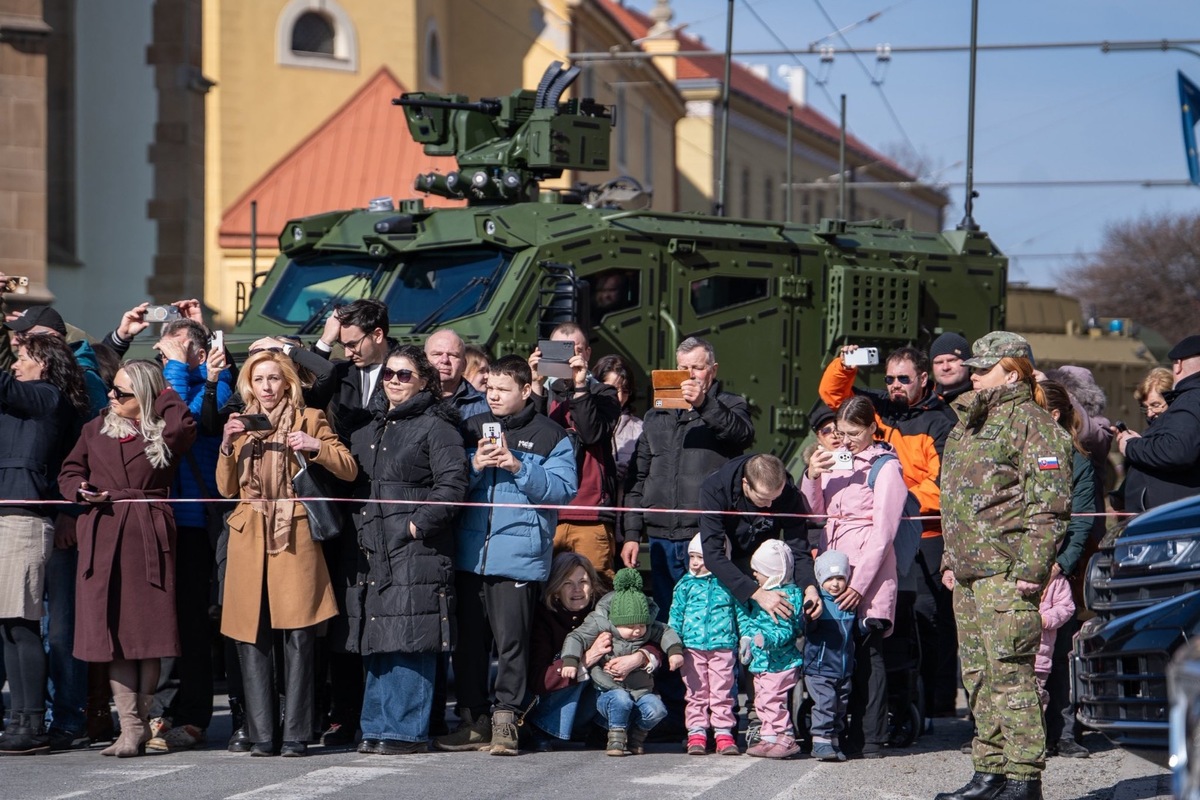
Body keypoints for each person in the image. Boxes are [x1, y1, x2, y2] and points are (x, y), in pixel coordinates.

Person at [937, 331, 1074, 800]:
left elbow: (1050, 507)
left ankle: (1023, 777)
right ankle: (990, 770)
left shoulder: (1035, 425)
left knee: (1011, 675)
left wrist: (1030, 573)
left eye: (982, 367)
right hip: (970, 577)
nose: (972, 374)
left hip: (1006, 575)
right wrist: (950, 559)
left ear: (1011, 371)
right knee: (977, 677)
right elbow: (956, 501)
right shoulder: (967, 423)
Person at [216, 351, 358, 757]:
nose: (266, 387)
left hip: (294, 533)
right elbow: (226, 490)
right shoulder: (241, 425)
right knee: (251, 637)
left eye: (274, 379)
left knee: (299, 638)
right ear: (249, 385)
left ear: (288, 383)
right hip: (248, 536)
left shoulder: (309, 418)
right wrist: (227, 445)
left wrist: (315, 446)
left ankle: (296, 734)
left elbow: (348, 468)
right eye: (259, 379)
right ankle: (262, 735)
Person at [434, 354, 576, 756]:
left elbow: (563, 489)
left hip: (518, 557)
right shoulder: (472, 426)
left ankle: (507, 720)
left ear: (525, 390)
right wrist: (473, 464)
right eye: (488, 388)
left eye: (502, 389)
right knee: (469, 645)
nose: (492, 396)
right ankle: (474, 720)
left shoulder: (552, 435)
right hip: (470, 554)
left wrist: (518, 466)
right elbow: (449, 479)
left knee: (512, 643)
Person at [58, 359, 197, 758]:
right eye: (112, 389)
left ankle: (141, 719)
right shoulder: (95, 429)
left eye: (123, 393)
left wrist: (164, 390)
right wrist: (79, 490)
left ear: (147, 397)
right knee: (113, 638)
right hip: (102, 534)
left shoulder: (164, 433)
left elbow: (184, 424)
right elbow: (69, 471)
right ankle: (130, 727)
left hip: (146, 535)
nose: (113, 398)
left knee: (146, 637)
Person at [820, 343, 959, 720]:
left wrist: (896, 497)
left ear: (923, 379)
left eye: (904, 379)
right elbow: (833, 395)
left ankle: (938, 704)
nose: (895, 385)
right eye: (889, 379)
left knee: (931, 620)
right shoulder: (880, 410)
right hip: (878, 528)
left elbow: (944, 483)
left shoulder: (939, 421)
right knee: (883, 624)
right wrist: (844, 363)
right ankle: (888, 705)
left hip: (924, 532)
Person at [346, 345, 467, 756]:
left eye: (404, 375)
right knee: (379, 635)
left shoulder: (437, 427)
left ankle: (407, 732)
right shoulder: (369, 428)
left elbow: (453, 486)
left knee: (410, 638)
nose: (394, 381)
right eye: (389, 374)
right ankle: (376, 726)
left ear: (424, 381)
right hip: (372, 546)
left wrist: (414, 525)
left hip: (417, 547)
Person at [145, 319, 234, 753]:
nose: (165, 360)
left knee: (192, 625)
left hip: (197, 526)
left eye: (174, 351)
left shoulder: (218, 385)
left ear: (198, 352)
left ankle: (194, 717)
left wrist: (178, 367)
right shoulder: (166, 384)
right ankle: (160, 710)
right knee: (161, 623)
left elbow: (181, 423)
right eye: (164, 355)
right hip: (160, 523)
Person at [802, 396, 907, 760]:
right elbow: (815, 515)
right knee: (837, 653)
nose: (845, 441)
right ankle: (835, 732)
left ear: (872, 428)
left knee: (868, 652)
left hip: (869, 572)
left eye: (853, 433)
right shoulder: (835, 461)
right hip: (832, 568)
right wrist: (812, 477)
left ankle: (871, 738)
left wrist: (860, 584)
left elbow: (884, 533)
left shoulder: (886, 468)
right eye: (839, 433)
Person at [0, 334, 90, 755]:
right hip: (7, 514)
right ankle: (18, 717)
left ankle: (32, 720)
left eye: (23, 358)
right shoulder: (26, 401)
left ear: (46, 365)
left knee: (23, 623)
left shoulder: (48, 397)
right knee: (9, 625)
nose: (16, 365)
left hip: (25, 519)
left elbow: (4, 386)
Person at [622, 336, 755, 619]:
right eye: (683, 368)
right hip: (660, 536)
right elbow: (638, 476)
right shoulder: (656, 414)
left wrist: (705, 404)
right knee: (667, 620)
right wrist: (632, 534)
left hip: (705, 536)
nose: (690, 375)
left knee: (709, 620)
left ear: (713, 369)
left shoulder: (731, 405)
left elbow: (741, 435)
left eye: (697, 367)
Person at [527, 552, 663, 751]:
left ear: (592, 584)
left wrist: (639, 657)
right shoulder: (544, 618)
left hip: (599, 698)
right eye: (567, 583)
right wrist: (587, 658)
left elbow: (654, 633)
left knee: (624, 682)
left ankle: (602, 728)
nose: (577, 590)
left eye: (583, 581)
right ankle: (544, 729)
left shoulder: (607, 608)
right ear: (556, 589)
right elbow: (539, 679)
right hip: (556, 703)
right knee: (579, 671)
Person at [1036, 379, 1100, 758]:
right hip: (1020, 567)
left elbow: (1082, 520)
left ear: (1054, 415)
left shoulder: (1078, 461)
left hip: (1061, 568)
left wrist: (1063, 563)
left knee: (1060, 651)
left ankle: (1064, 732)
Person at [560, 568, 684, 757]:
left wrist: (674, 651)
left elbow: (665, 631)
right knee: (621, 700)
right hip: (609, 688)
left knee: (658, 710)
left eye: (641, 626)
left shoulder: (648, 628)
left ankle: (637, 735)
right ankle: (616, 738)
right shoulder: (600, 623)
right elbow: (577, 637)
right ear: (615, 623)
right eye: (630, 627)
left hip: (641, 689)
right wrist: (570, 660)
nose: (637, 631)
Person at [530, 323, 621, 578]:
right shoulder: (540, 393)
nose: (568, 358)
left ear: (588, 354)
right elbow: (530, 439)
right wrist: (536, 386)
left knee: (596, 588)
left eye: (575, 350)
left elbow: (591, 433)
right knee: (546, 593)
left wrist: (581, 387)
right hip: (545, 512)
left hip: (589, 514)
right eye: (559, 350)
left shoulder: (605, 394)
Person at [735, 540, 808, 759]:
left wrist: (766, 639)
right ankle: (769, 737)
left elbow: (787, 630)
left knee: (773, 700)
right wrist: (747, 638)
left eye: (759, 571)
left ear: (774, 573)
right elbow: (752, 621)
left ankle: (785, 737)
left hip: (781, 662)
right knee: (761, 700)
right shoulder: (762, 595)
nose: (754, 575)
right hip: (763, 661)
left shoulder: (787, 597)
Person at [669, 534, 739, 756]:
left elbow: (741, 614)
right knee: (696, 692)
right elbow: (675, 616)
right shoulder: (685, 585)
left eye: (701, 557)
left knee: (722, 692)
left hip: (723, 646)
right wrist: (674, 646)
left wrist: (745, 637)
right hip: (692, 648)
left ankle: (723, 733)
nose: (696, 563)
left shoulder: (728, 583)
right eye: (692, 557)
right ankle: (697, 733)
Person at [1113, 334, 1200, 513]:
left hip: (1171, 517)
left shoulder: (1190, 400)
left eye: (1156, 405)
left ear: (1179, 365)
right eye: (1146, 407)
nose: (1151, 413)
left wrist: (1131, 446)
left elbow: (1177, 450)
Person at [804, 549, 857, 763]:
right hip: (820, 667)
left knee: (840, 705)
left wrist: (866, 624)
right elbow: (806, 627)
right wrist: (809, 618)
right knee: (825, 703)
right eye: (829, 579)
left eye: (840, 578)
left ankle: (834, 741)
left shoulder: (847, 603)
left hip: (843, 668)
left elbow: (854, 630)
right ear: (820, 579)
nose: (835, 584)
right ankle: (820, 741)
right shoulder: (818, 603)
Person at [592, 354, 643, 490]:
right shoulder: (587, 423)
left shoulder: (640, 428)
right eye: (612, 390)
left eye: (625, 390)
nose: (619, 397)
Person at [424, 328, 489, 422]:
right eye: (437, 354)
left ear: (464, 365)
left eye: (452, 355)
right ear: (424, 360)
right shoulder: (408, 400)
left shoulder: (484, 406)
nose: (444, 360)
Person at [1034, 573, 1074, 711]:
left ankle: (1035, 729)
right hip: (1011, 653)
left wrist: (1045, 620)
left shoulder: (1056, 580)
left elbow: (1066, 607)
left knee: (1035, 696)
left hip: (1039, 656)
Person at [931, 332, 972, 403]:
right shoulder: (923, 400)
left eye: (952, 360)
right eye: (939, 362)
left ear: (967, 363)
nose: (945, 367)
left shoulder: (983, 400)